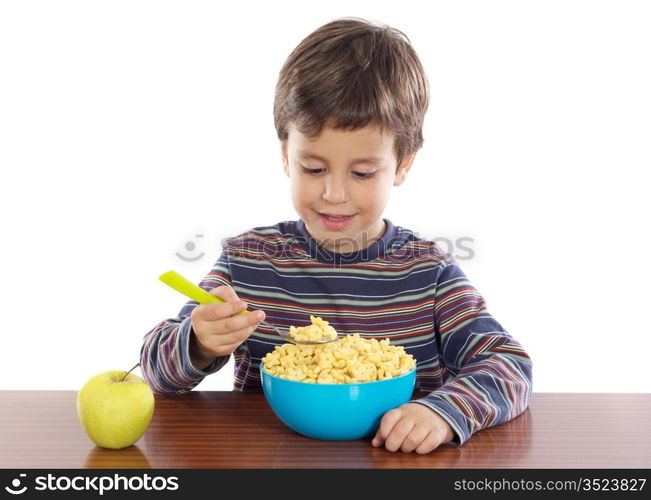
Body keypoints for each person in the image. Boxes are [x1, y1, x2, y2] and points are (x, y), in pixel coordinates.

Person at [140, 17, 533, 454]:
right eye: (313, 168)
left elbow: (508, 366)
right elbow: (156, 371)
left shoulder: (429, 273)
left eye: (363, 172)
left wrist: (444, 412)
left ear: (403, 164)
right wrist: (196, 342)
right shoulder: (247, 262)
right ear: (285, 155)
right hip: (273, 457)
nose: (334, 193)